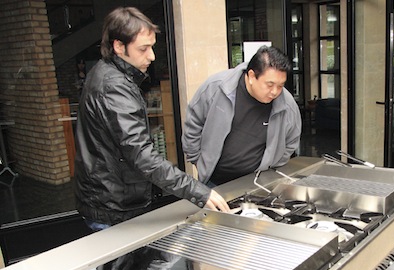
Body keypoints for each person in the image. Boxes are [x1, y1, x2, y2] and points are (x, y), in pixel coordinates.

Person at [74, 7, 229, 231]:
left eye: (152, 47)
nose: (152, 56)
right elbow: (142, 155)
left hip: (112, 198)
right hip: (113, 206)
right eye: (143, 49)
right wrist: (197, 191)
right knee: (126, 267)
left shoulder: (109, 75)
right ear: (119, 46)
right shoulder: (113, 87)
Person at [183, 45, 302, 186]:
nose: (275, 92)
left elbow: (291, 141)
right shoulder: (216, 88)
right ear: (251, 76)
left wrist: (271, 164)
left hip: (258, 183)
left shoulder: (287, 104)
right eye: (270, 85)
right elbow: (193, 124)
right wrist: (199, 162)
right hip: (213, 182)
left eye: (280, 86)